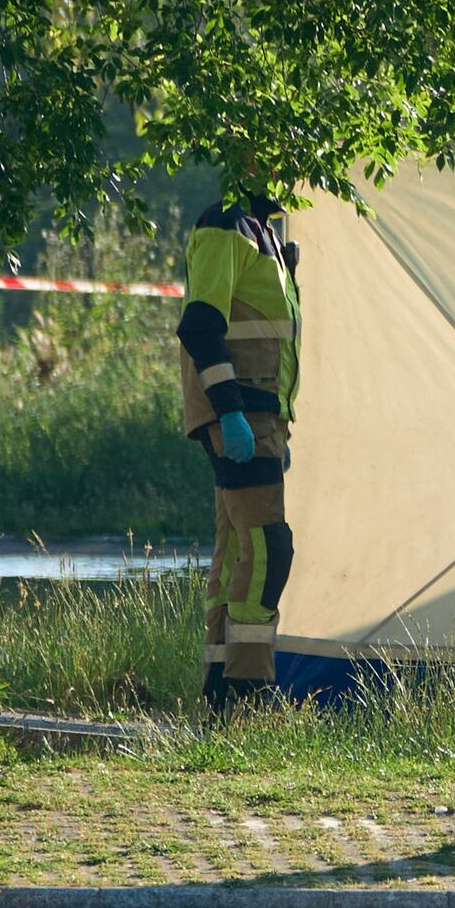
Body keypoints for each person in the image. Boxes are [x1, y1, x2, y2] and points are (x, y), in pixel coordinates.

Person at [176, 182, 301, 704]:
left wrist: (275, 420)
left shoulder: (262, 232)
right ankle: (249, 689)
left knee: (234, 554)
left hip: (260, 413)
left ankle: (219, 690)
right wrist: (230, 412)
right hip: (241, 409)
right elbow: (200, 327)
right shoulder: (226, 224)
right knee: (269, 549)